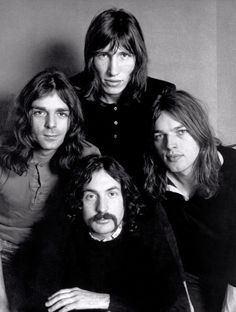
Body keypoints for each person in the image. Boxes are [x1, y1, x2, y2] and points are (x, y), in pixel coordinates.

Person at [11, 155, 191, 311]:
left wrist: (106, 300)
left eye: (111, 194)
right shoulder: (58, 239)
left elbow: (171, 302)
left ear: (124, 199)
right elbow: (38, 301)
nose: (102, 208)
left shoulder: (147, 235)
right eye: (91, 196)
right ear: (79, 202)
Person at [0, 68, 99, 310]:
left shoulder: (87, 156)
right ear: (26, 116)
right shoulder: (2, 155)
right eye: (40, 112)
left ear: (71, 119)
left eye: (61, 114)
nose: (51, 125)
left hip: (50, 253)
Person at [144, 90, 236, 312]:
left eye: (181, 132)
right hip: (189, 277)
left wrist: (228, 307)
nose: (170, 145)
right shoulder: (152, 185)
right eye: (159, 135)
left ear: (199, 132)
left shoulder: (232, 171)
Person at [70, 8, 175, 184]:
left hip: (150, 199)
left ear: (137, 59)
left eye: (124, 55)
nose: (113, 70)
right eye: (103, 55)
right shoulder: (70, 94)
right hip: (90, 197)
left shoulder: (160, 94)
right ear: (91, 59)